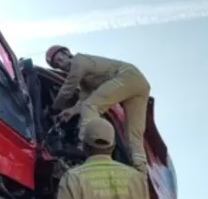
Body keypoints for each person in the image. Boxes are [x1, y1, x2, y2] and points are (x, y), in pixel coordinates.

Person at [45, 45, 151, 173]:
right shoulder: (85, 80)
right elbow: (83, 99)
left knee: (91, 106)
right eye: (56, 64)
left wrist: (54, 108)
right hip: (140, 85)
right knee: (133, 135)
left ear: (67, 53)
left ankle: (86, 144)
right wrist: (71, 111)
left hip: (127, 76)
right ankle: (140, 172)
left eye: (59, 57)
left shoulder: (79, 61)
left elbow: (67, 90)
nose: (59, 63)